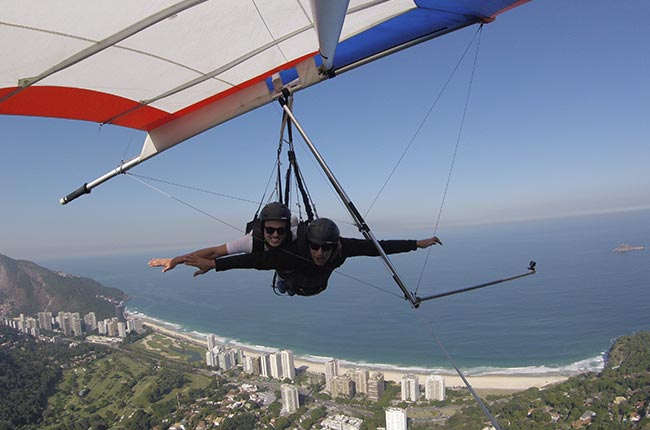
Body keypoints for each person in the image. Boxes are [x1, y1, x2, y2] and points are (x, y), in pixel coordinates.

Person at [184, 217, 442, 296]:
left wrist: (417, 244)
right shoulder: (290, 254)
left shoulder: (343, 247)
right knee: (284, 279)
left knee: (309, 278)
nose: (320, 252)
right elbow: (251, 261)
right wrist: (214, 264)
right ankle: (285, 284)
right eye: (316, 247)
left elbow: (377, 247)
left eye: (325, 248)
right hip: (294, 279)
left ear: (333, 246)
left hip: (318, 284)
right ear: (309, 244)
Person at [148, 202, 297, 276]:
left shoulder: (294, 234)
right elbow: (215, 252)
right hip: (264, 256)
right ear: (263, 228)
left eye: (280, 230)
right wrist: (176, 260)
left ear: (287, 229)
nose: (276, 235)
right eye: (270, 230)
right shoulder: (251, 241)